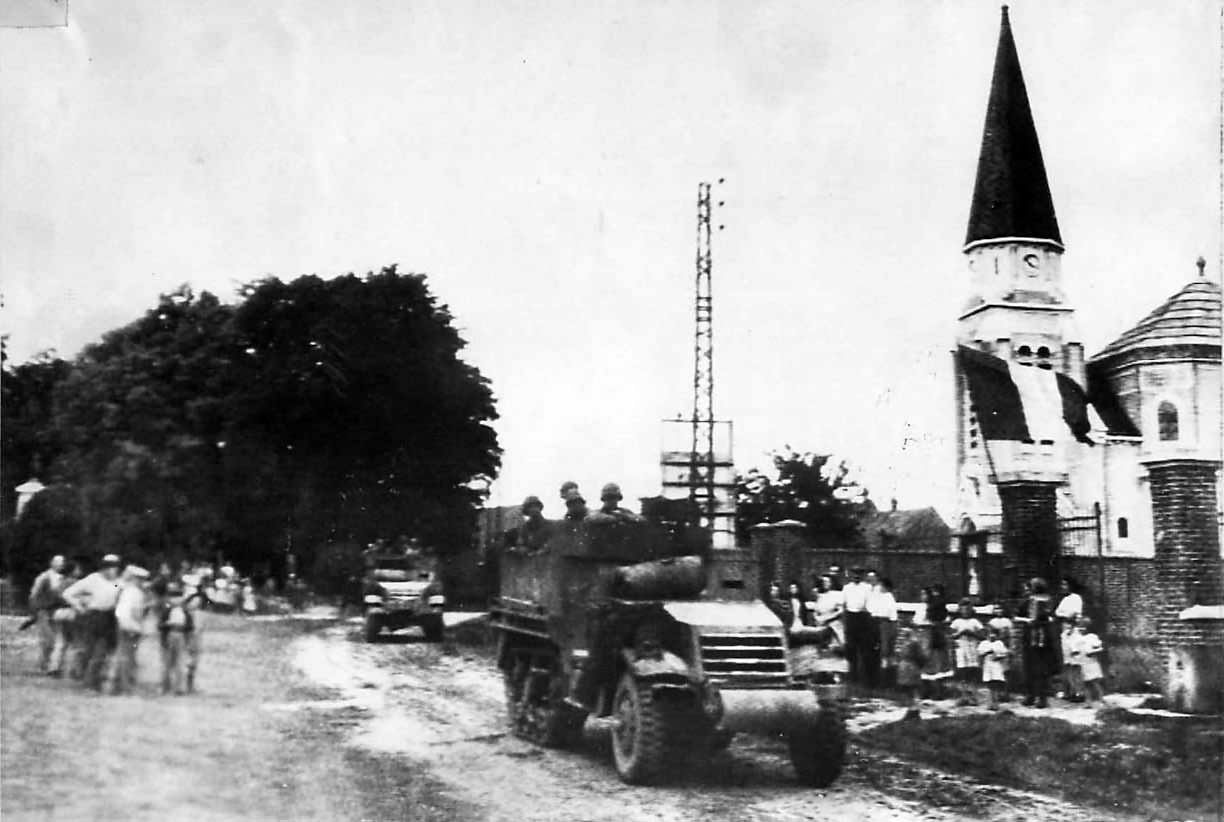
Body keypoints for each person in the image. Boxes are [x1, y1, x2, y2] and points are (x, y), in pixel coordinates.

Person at [62, 554, 123, 691]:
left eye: (116, 567)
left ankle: (92, 682)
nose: (114, 571)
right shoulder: (93, 579)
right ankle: (86, 679)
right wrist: (78, 607)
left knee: (101, 651)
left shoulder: (117, 582)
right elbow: (68, 593)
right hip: (94, 616)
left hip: (109, 617)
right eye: (112, 567)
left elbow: (119, 594)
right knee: (89, 650)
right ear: (105, 568)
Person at [109, 565, 150, 695]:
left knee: (123, 656)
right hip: (130, 627)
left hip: (125, 626)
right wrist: (135, 627)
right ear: (136, 579)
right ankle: (125, 687)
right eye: (141, 580)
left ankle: (117, 686)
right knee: (127, 658)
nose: (143, 582)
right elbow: (131, 613)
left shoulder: (128, 590)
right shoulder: (134, 593)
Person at [1017, 578, 1057, 708]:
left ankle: (1042, 697)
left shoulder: (1048, 601)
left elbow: (1052, 616)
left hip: (1043, 637)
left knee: (1041, 667)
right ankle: (1030, 695)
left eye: (1030, 588)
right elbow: (1017, 616)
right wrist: (1026, 620)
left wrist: (1046, 619)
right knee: (1029, 666)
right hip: (1030, 636)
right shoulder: (1027, 602)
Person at [26, 555, 67, 673]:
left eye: (61, 562)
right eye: (57, 562)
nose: (60, 564)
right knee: (47, 640)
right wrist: (34, 612)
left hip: (55, 612)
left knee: (55, 640)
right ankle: (43, 665)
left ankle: (48, 665)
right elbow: (34, 595)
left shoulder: (62, 579)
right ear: (51, 563)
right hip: (43, 611)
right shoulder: (44, 577)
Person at [159, 581, 194, 695]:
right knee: (167, 663)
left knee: (180, 663)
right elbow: (160, 625)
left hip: (181, 636)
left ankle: (179, 688)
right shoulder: (166, 611)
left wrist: (184, 627)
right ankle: (165, 687)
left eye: (179, 597)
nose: (176, 600)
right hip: (169, 635)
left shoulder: (185, 612)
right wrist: (167, 624)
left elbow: (190, 626)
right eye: (173, 597)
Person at [48, 563, 81, 677]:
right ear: (72, 571)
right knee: (75, 643)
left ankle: (54, 667)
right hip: (71, 613)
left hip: (59, 613)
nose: (79, 571)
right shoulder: (76, 583)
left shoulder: (60, 583)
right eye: (77, 569)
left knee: (60, 642)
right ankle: (74, 669)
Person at [949, 598, 984, 706]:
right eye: (963, 609)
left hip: (972, 649)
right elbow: (951, 636)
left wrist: (972, 633)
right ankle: (963, 696)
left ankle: (973, 696)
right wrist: (960, 633)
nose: (965, 612)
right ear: (960, 610)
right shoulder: (956, 622)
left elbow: (982, 636)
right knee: (962, 673)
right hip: (961, 650)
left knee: (972, 673)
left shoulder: (975, 622)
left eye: (968, 609)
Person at [841, 568, 873, 685]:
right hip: (850, 617)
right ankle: (852, 676)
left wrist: (866, 616)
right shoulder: (847, 588)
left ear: (862, 575)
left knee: (864, 649)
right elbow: (843, 604)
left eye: (859, 574)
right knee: (851, 648)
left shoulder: (867, 588)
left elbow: (869, 604)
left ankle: (865, 678)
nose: (856, 576)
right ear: (850, 575)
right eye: (854, 574)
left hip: (862, 617)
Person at [868, 575, 899, 686]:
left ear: (885, 587)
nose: (879, 587)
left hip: (885, 625)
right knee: (878, 650)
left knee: (885, 651)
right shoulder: (878, 597)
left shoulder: (888, 597)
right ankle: (878, 678)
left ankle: (887, 679)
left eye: (880, 585)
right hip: (877, 623)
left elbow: (891, 616)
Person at [896, 624, 928, 720]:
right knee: (907, 689)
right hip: (904, 668)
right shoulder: (902, 643)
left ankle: (914, 709)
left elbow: (921, 657)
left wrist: (918, 666)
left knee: (912, 689)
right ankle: (912, 708)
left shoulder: (914, 643)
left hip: (911, 667)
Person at [988, 604, 1016, 701]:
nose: (998, 611)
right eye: (996, 609)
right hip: (996, 647)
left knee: (1006, 671)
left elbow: (1011, 636)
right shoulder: (992, 622)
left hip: (1005, 646)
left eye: (1000, 608)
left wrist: (1011, 648)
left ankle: (1006, 693)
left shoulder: (1007, 622)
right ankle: (998, 693)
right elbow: (990, 635)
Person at [978, 625, 1010, 710]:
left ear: (997, 635)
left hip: (997, 666)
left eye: (994, 634)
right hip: (988, 666)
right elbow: (980, 654)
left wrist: (998, 657)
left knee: (996, 683)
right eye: (990, 634)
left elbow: (1004, 654)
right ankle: (990, 703)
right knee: (989, 684)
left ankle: (996, 703)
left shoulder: (999, 643)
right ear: (987, 635)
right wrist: (987, 652)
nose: (992, 636)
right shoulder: (984, 643)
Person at [811, 575, 845, 650]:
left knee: (842, 642)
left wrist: (829, 618)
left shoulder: (836, 594)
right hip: (822, 625)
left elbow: (841, 610)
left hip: (834, 622)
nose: (825, 584)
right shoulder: (820, 597)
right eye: (823, 582)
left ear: (831, 583)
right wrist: (817, 618)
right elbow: (815, 612)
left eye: (827, 582)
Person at [1076, 617, 1106, 702]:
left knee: (1094, 681)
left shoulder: (1092, 637)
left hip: (1091, 662)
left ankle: (1101, 698)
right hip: (1083, 663)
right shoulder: (1078, 638)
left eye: (1083, 627)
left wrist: (1092, 652)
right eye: (1080, 627)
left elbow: (1100, 648)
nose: (1081, 629)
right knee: (1085, 683)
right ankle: (1088, 700)